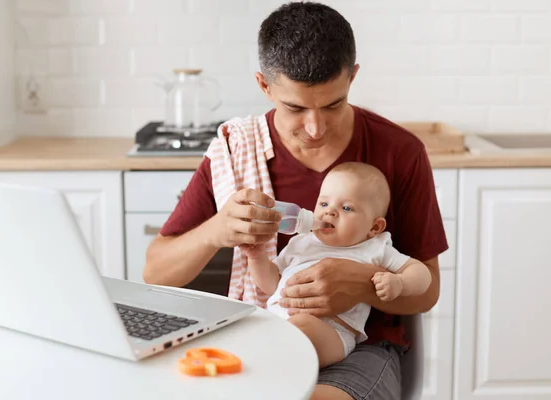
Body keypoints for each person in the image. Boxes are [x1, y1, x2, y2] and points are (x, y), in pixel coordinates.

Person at [144, 2, 448, 399]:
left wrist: (362, 286)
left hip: (360, 350)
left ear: (353, 77)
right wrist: (216, 232)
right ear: (264, 85)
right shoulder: (238, 150)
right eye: (295, 107)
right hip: (263, 333)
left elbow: (427, 290)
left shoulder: (399, 151)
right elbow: (155, 274)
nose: (316, 128)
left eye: (333, 104)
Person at [240, 162, 432, 369]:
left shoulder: (374, 248)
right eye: (323, 204)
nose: (329, 212)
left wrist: (400, 283)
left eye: (346, 208)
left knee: (301, 331)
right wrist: (257, 257)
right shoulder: (301, 242)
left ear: (374, 227)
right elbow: (270, 285)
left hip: (330, 333)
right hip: (277, 322)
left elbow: (421, 274)